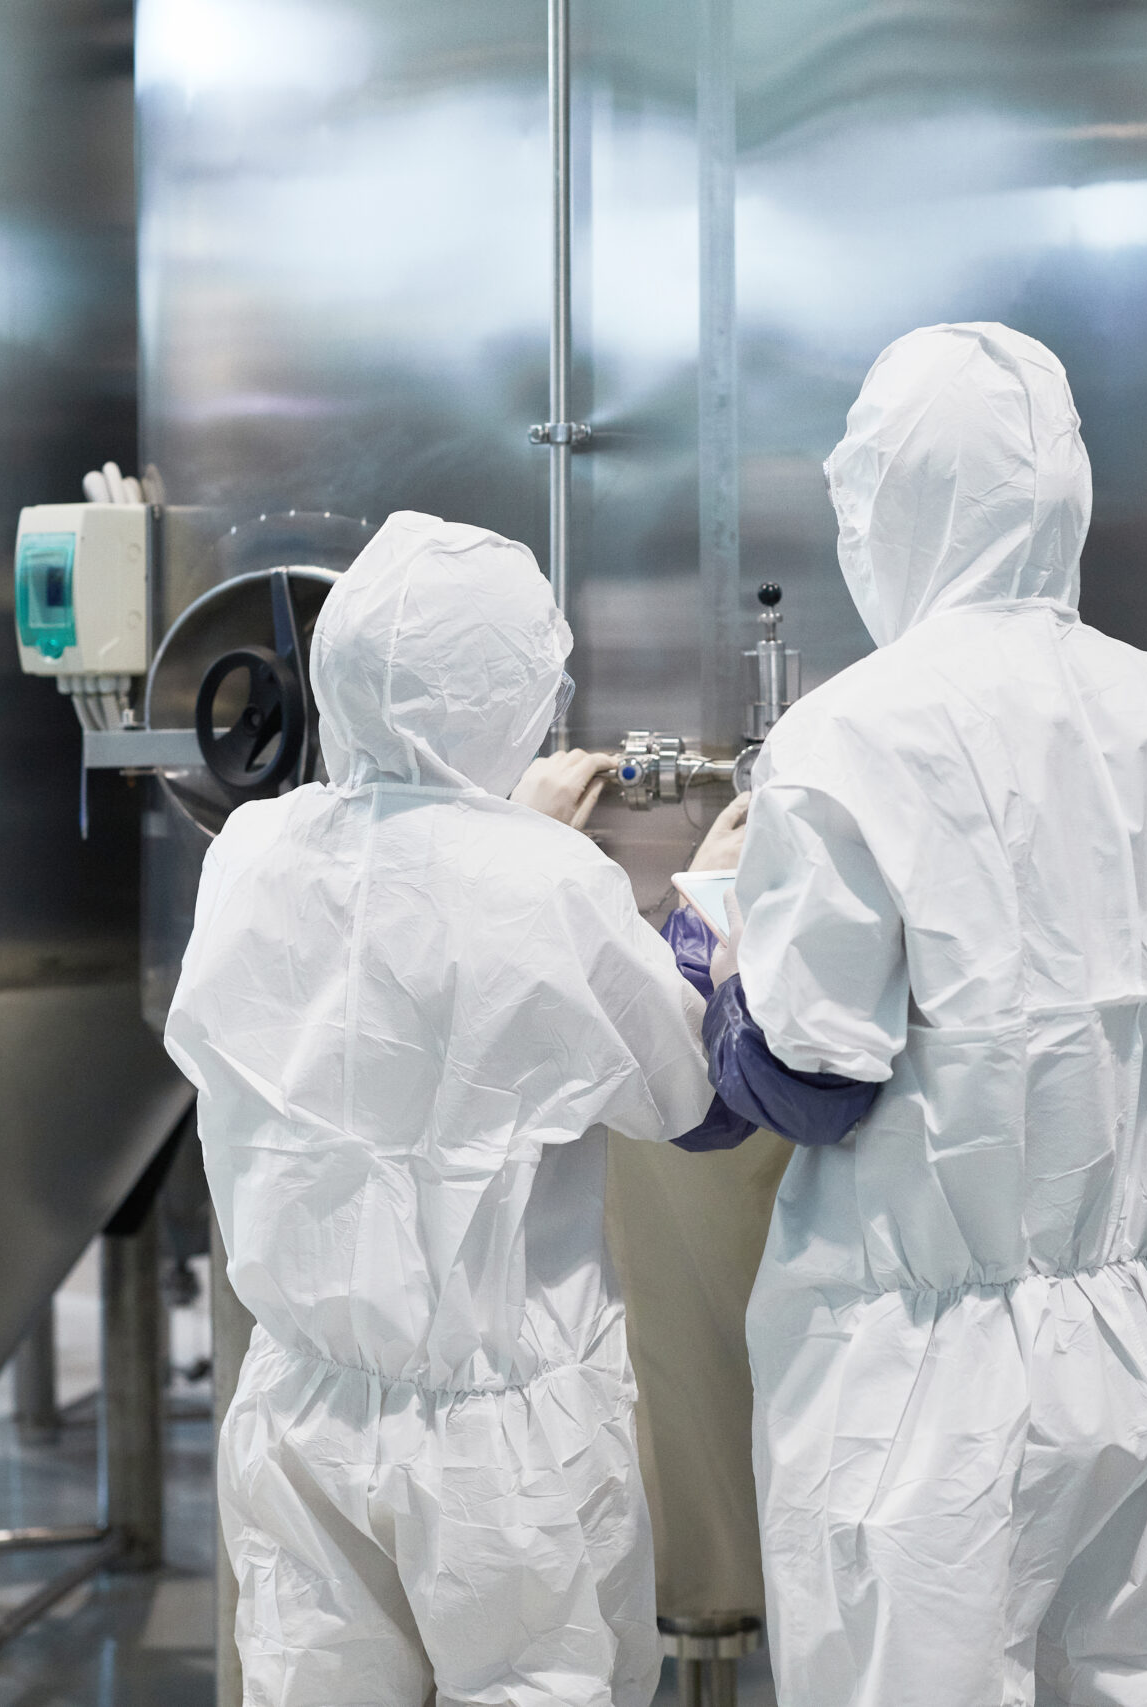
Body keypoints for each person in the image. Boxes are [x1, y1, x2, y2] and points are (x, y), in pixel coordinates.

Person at [685, 323, 1147, 1706]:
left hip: (926, 1380)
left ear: (885, 504)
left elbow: (812, 1074)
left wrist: (719, 949)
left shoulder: (853, 733)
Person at [164, 510, 734, 1707]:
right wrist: (719, 899)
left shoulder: (251, 852)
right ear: (517, 694)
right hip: (501, 1463)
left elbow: (385, 970)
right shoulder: (544, 888)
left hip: (302, 1414)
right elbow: (688, 1090)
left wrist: (500, 829)